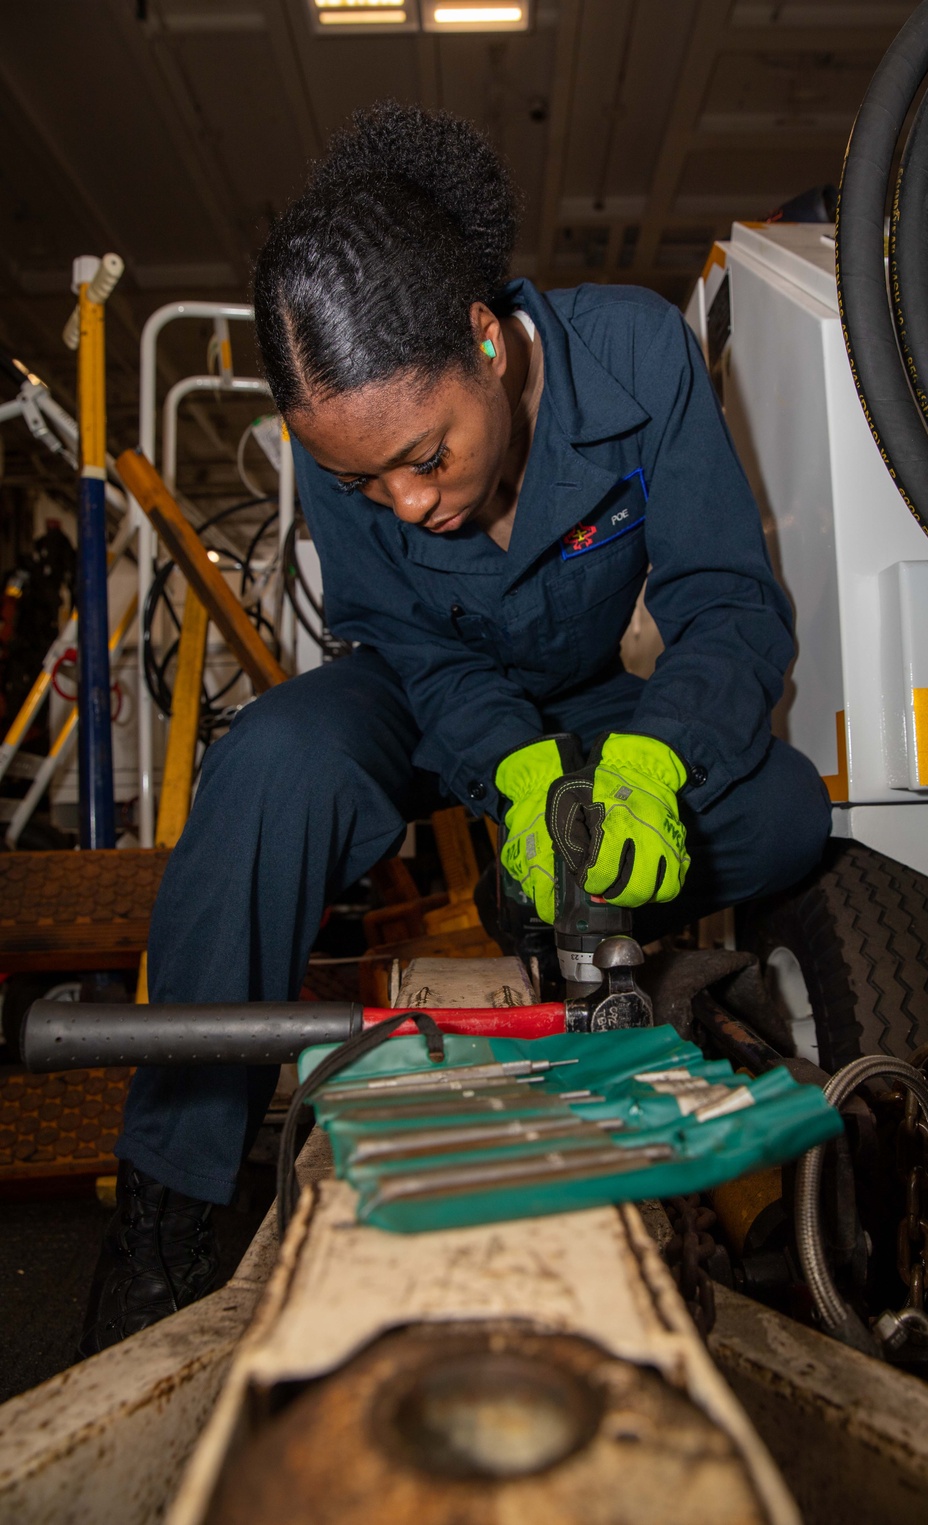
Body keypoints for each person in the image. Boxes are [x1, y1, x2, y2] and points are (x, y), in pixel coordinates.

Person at [79, 102, 831, 1353]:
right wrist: (514, 778)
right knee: (271, 763)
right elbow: (418, 649)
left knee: (786, 810)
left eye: (424, 458)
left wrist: (649, 760)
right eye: (370, 482)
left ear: (485, 340)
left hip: (602, 701)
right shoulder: (349, 444)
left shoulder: (636, 355)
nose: (407, 501)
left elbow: (726, 603)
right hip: (433, 705)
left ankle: (563, 902)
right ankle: (166, 1205)